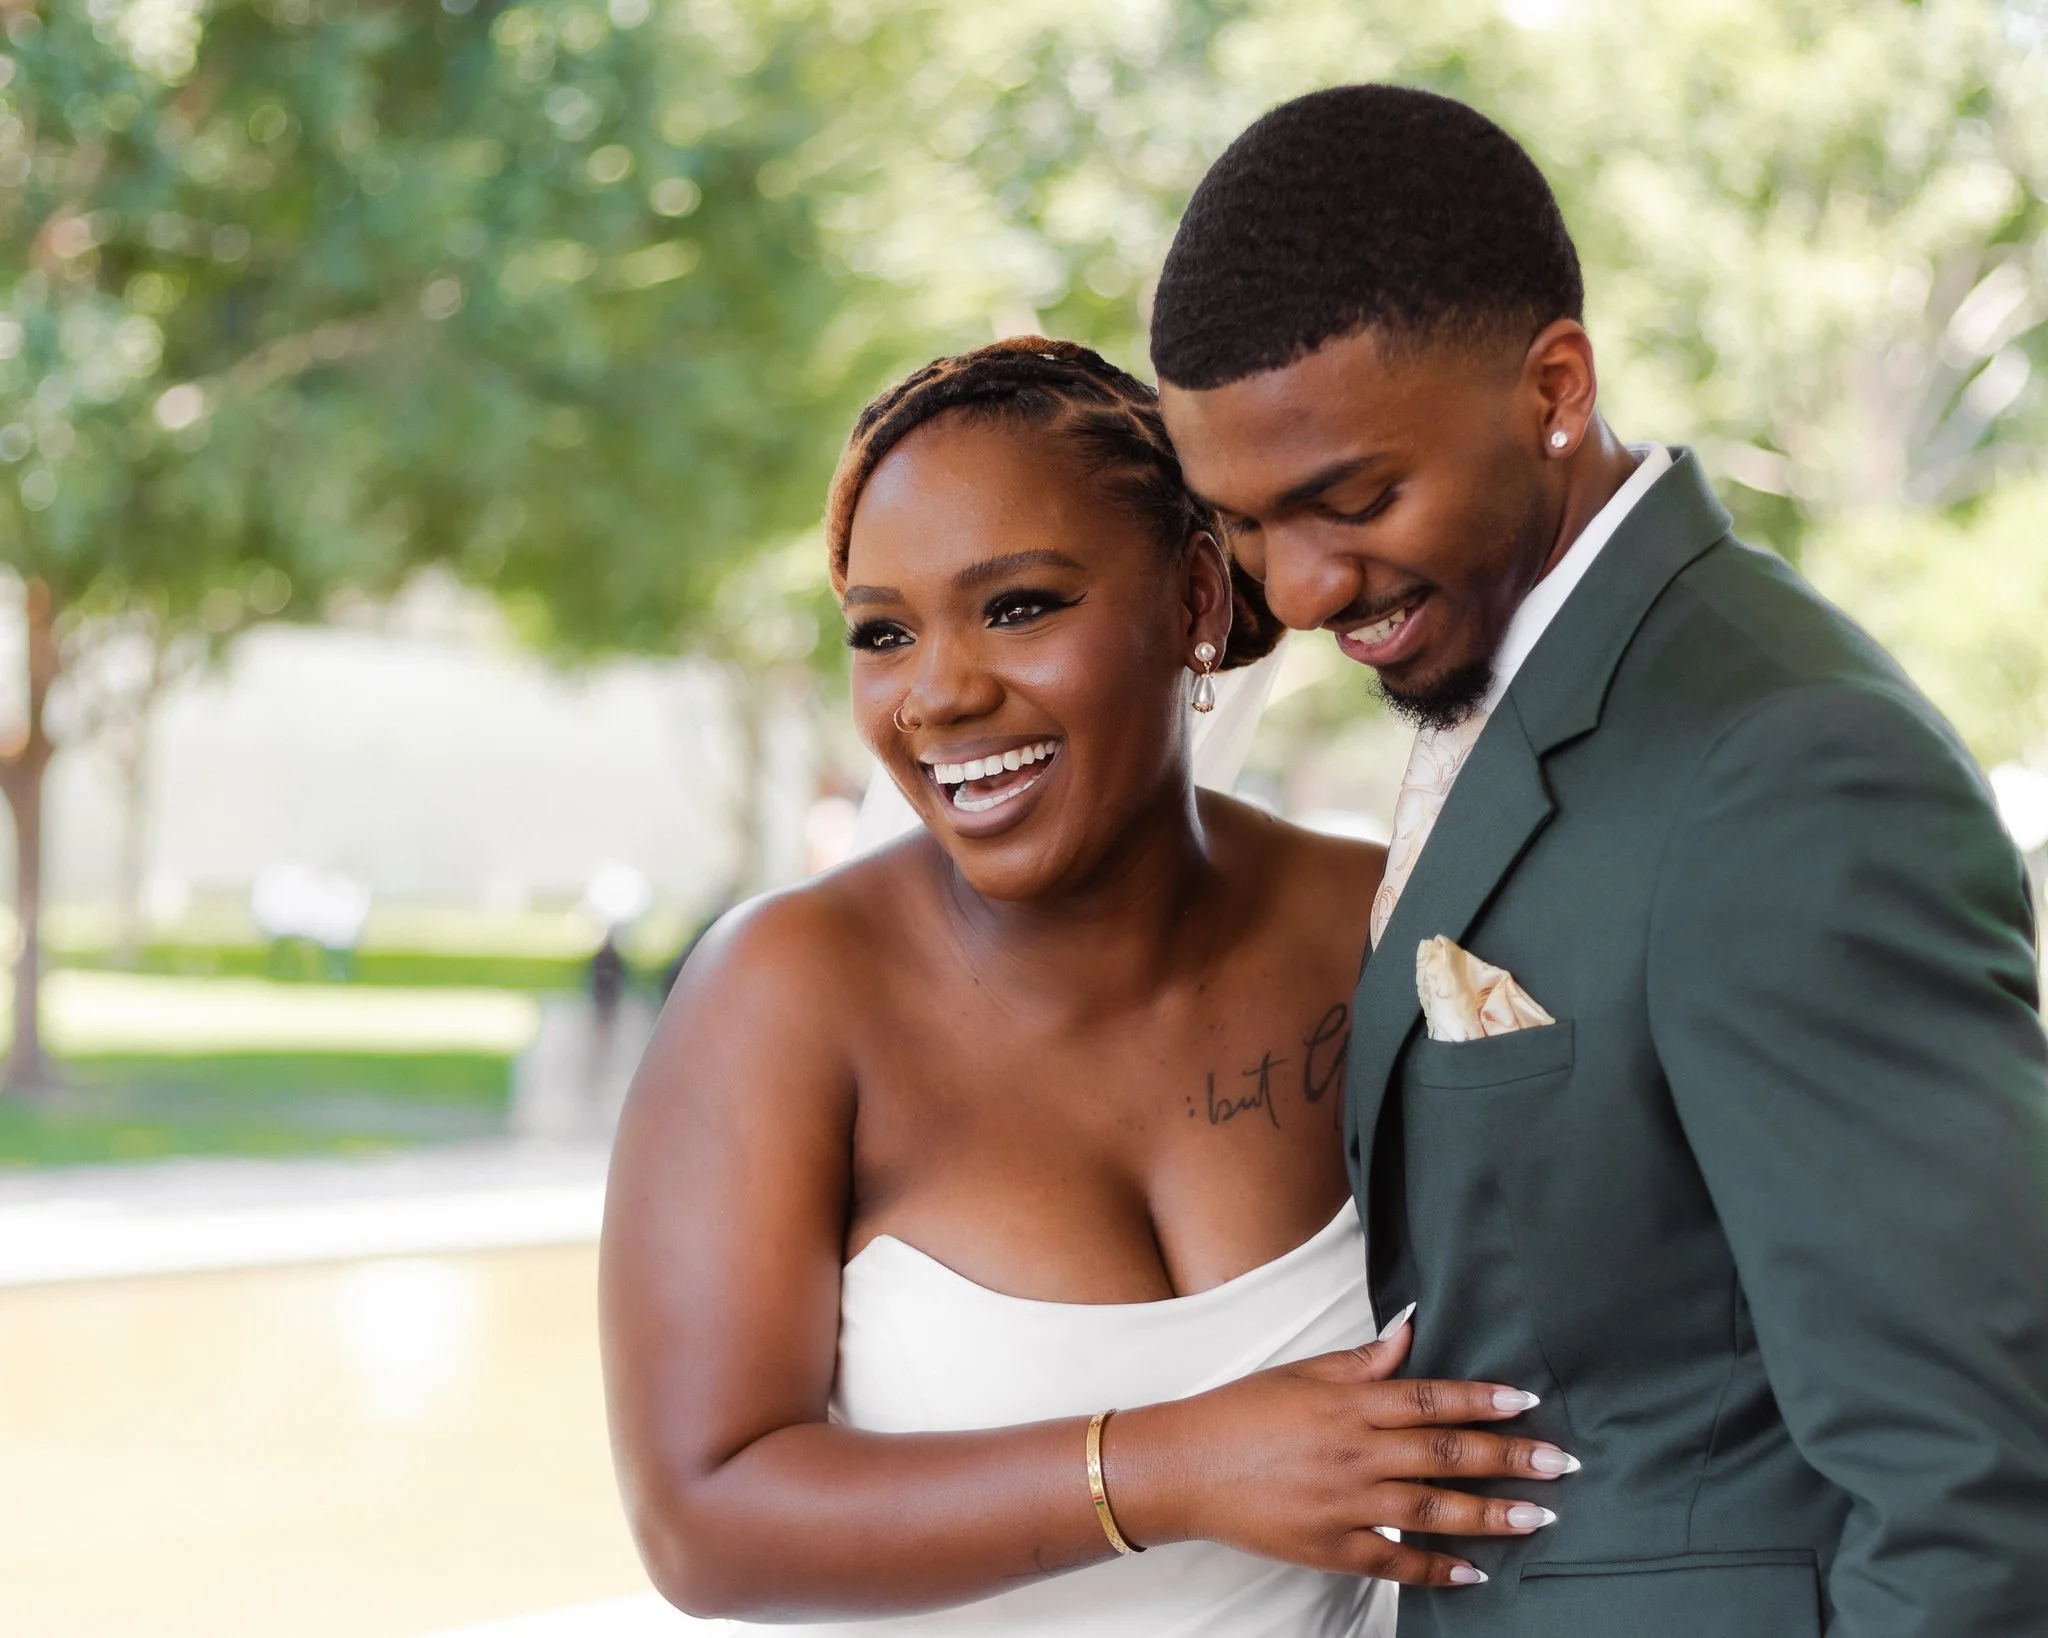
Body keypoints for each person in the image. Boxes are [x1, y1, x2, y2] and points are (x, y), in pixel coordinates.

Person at [1148, 84, 2048, 1638]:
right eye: (1244, 524)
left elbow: (1975, 1464)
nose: (1296, 584)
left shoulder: (1783, 761)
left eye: (1353, 499)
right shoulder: (1525, 667)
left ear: (1553, 386)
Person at [600, 339, 1580, 1636]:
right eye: (883, 632)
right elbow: (702, 1520)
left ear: (1191, 598)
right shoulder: (787, 994)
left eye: (1017, 605)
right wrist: (1174, 1466)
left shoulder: (1386, 924)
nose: (939, 692)